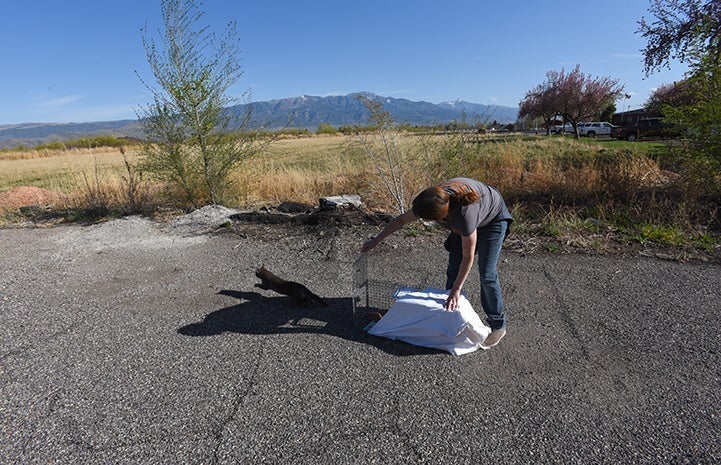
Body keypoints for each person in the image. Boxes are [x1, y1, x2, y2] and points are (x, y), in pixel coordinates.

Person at [361, 177, 512, 348]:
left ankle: (498, 325)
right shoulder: (432, 199)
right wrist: (376, 240)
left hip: (493, 221)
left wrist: (456, 289)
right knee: (453, 268)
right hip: (462, 219)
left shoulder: (464, 215)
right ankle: (451, 316)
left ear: (442, 217)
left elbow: (468, 257)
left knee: (487, 273)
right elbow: (401, 220)